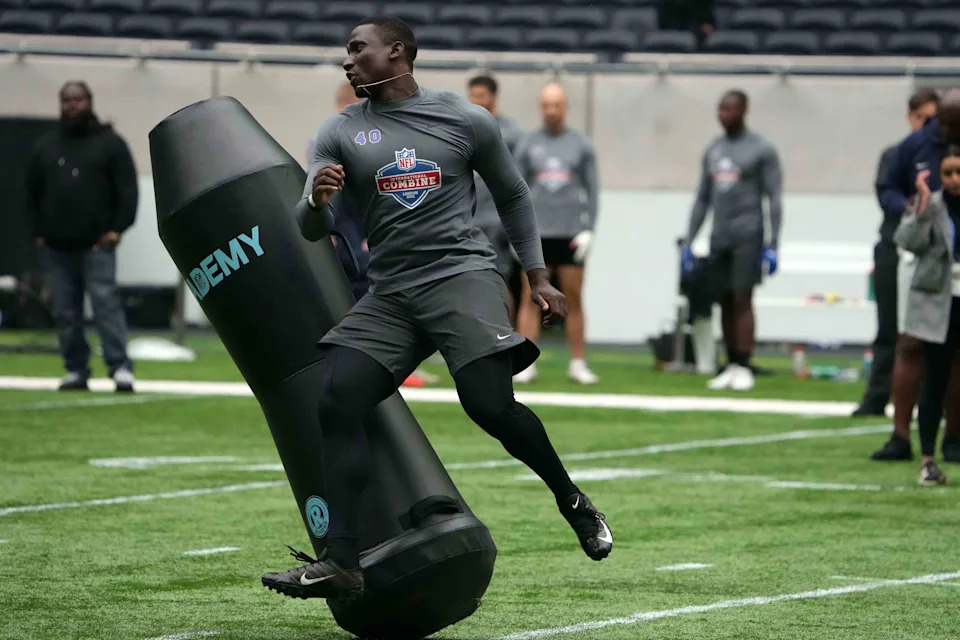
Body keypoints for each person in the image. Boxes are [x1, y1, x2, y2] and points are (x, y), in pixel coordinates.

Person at [261, 18, 613, 601]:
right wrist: (317, 200)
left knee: (488, 405)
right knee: (338, 397)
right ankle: (341, 562)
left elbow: (514, 194)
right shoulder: (339, 130)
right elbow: (308, 223)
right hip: (392, 290)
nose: (346, 62)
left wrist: (538, 277)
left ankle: (571, 498)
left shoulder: (466, 118)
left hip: (462, 275)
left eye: (357, 49)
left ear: (396, 51)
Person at [26, 81, 137, 393]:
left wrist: (117, 230)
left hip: (97, 245)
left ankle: (119, 368)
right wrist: (37, 233)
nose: (72, 105)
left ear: (89, 101)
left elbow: (128, 192)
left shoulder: (110, 143)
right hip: (55, 247)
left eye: (78, 99)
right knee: (65, 311)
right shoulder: (46, 146)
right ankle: (76, 369)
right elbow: (30, 193)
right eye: (66, 100)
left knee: (105, 305)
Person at [872, 88, 960, 462]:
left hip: (955, 258)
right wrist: (910, 206)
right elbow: (886, 188)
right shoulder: (912, 146)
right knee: (910, 343)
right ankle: (900, 435)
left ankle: (954, 437)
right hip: (920, 254)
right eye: (949, 120)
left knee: (955, 352)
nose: (952, 128)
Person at [682, 89, 783, 392]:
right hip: (719, 236)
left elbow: (774, 198)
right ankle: (730, 363)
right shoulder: (714, 150)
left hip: (748, 235)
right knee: (723, 299)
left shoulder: (761, 149)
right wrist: (689, 240)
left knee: (742, 297)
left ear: (743, 111)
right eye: (720, 110)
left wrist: (773, 243)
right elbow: (702, 199)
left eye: (729, 109)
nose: (723, 115)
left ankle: (744, 363)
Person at [854, 88, 940, 418]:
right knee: (887, 326)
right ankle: (877, 395)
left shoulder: (946, 154)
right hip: (895, 243)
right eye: (921, 118)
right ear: (910, 116)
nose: (926, 124)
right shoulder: (897, 153)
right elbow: (884, 190)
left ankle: (928, 399)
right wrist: (907, 206)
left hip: (933, 253)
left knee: (930, 332)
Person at [513, 83, 600, 385]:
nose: (551, 111)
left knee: (574, 297)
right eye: (546, 105)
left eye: (556, 105)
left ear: (565, 107)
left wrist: (589, 229)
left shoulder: (581, 144)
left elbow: (592, 191)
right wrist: (517, 231)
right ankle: (526, 363)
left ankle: (578, 362)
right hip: (537, 234)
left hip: (570, 233)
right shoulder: (528, 144)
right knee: (531, 297)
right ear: (541, 107)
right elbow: (515, 191)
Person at [893, 148, 960, 484]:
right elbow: (906, 242)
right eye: (947, 173)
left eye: (959, 172)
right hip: (939, 303)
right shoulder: (931, 204)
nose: (954, 180)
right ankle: (928, 459)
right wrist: (920, 205)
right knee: (934, 380)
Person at [467, 74, 526, 323]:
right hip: (466, 220)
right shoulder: (463, 127)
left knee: (498, 283)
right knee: (465, 284)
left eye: (481, 96)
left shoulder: (512, 134)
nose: (476, 101)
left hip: (497, 223)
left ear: (493, 96)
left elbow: (520, 180)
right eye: (473, 96)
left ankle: (505, 339)